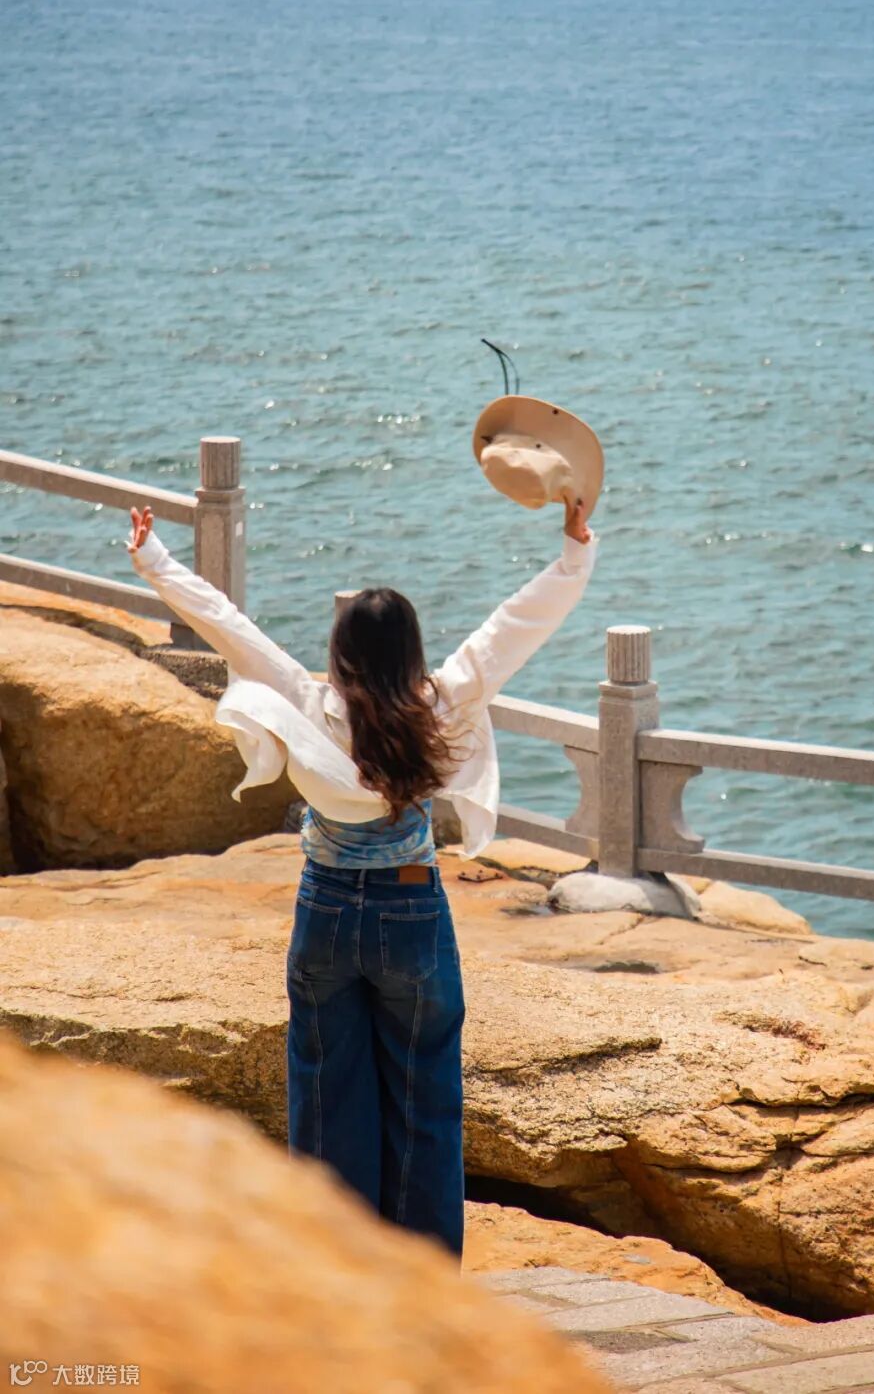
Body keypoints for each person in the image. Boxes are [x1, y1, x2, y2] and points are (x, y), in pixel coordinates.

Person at [127, 494, 596, 1257]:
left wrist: (153, 558)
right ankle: (423, 1280)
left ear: (340, 652)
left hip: (327, 911)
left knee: (325, 1099)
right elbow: (514, 627)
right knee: (424, 1100)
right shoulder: (439, 706)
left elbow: (226, 625)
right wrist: (574, 552)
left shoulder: (309, 702)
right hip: (411, 912)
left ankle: (339, 1269)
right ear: (411, 652)